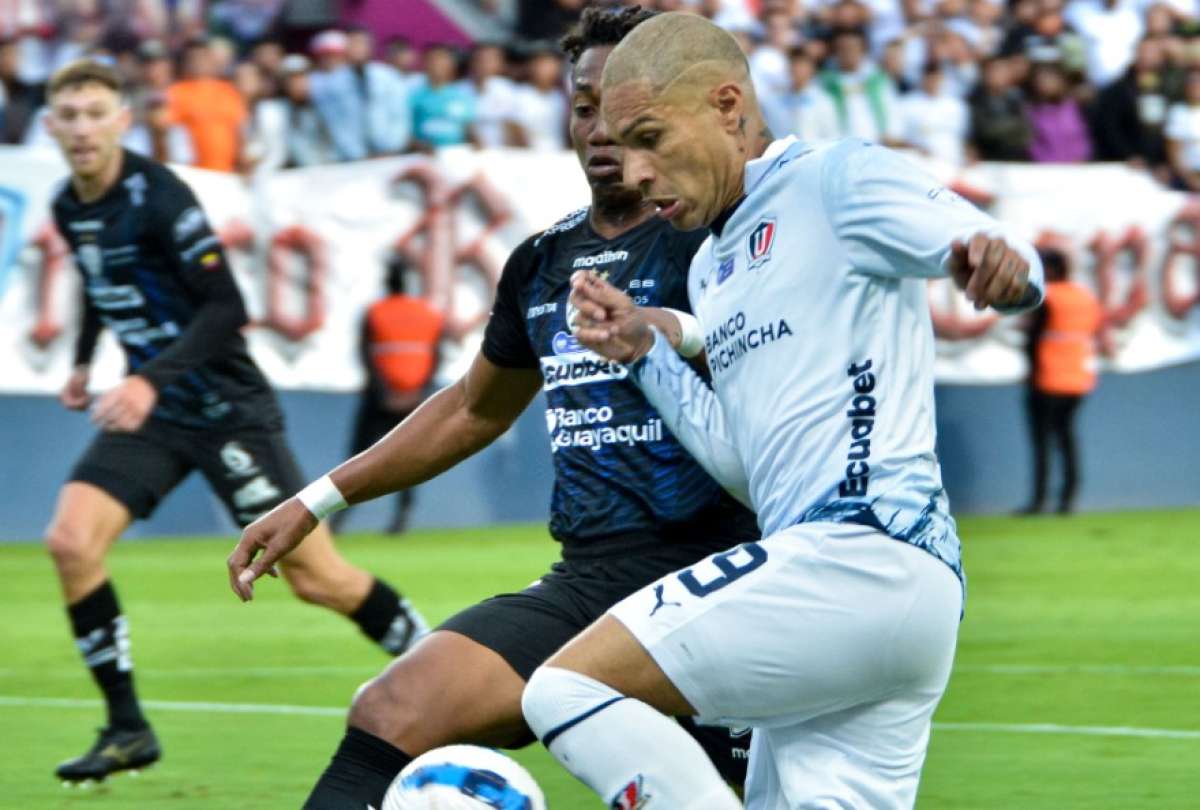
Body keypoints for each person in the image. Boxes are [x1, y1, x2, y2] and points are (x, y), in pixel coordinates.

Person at [226, 8, 759, 810]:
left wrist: (671, 334)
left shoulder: (719, 240)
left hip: (725, 576)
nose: (601, 129)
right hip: (592, 579)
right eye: (584, 106)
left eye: (622, 109)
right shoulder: (543, 261)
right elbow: (475, 408)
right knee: (391, 709)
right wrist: (316, 501)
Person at [517, 12, 1043, 810]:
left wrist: (1002, 268)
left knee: (565, 688)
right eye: (622, 147)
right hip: (859, 594)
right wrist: (647, 353)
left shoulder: (836, 180)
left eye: (650, 138)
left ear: (728, 106)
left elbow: (995, 246)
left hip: (863, 553)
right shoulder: (712, 268)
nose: (635, 172)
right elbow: (745, 468)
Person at [41, 59, 428, 784]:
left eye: (96, 114)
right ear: (50, 126)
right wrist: (83, 361)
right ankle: (127, 728)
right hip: (156, 413)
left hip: (226, 411)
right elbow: (100, 283)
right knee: (70, 542)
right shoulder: (71, 205)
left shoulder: (159, 198)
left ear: (122, 121)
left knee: (319, 579)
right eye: (70, 116)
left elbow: (227, 308)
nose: (83, 129)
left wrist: (147, 379)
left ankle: (442, 670)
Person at [332, 259, 445, 535]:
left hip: (379, 398)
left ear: (387, 281)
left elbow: (365, 353)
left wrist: (383, 391)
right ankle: (401, 517)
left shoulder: (376, 312)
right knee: (409, 459)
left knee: (359, 457)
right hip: (412, 399)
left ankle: (340, 518)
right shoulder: (426, 313)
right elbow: (436, 355)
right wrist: (420, 391)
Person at [1020, 249, 1103, 515]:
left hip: (1047, 378)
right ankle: (1068, 499)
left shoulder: (1048, 297)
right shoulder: (1085, 296)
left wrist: (1031, 373)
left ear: (1051, 269)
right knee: (1067, 438)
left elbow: (1033, 339)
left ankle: (1039, 500)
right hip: (1078, 379)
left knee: (1042, 441)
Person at [166, 39, 246, 171]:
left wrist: (243, 161)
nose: (198, 62)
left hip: (229, 170)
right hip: (194, 171)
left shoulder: (229, 90)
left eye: (203, 57)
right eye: (193, 59)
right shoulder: (176, 92)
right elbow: (173, 133)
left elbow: (239, 128)